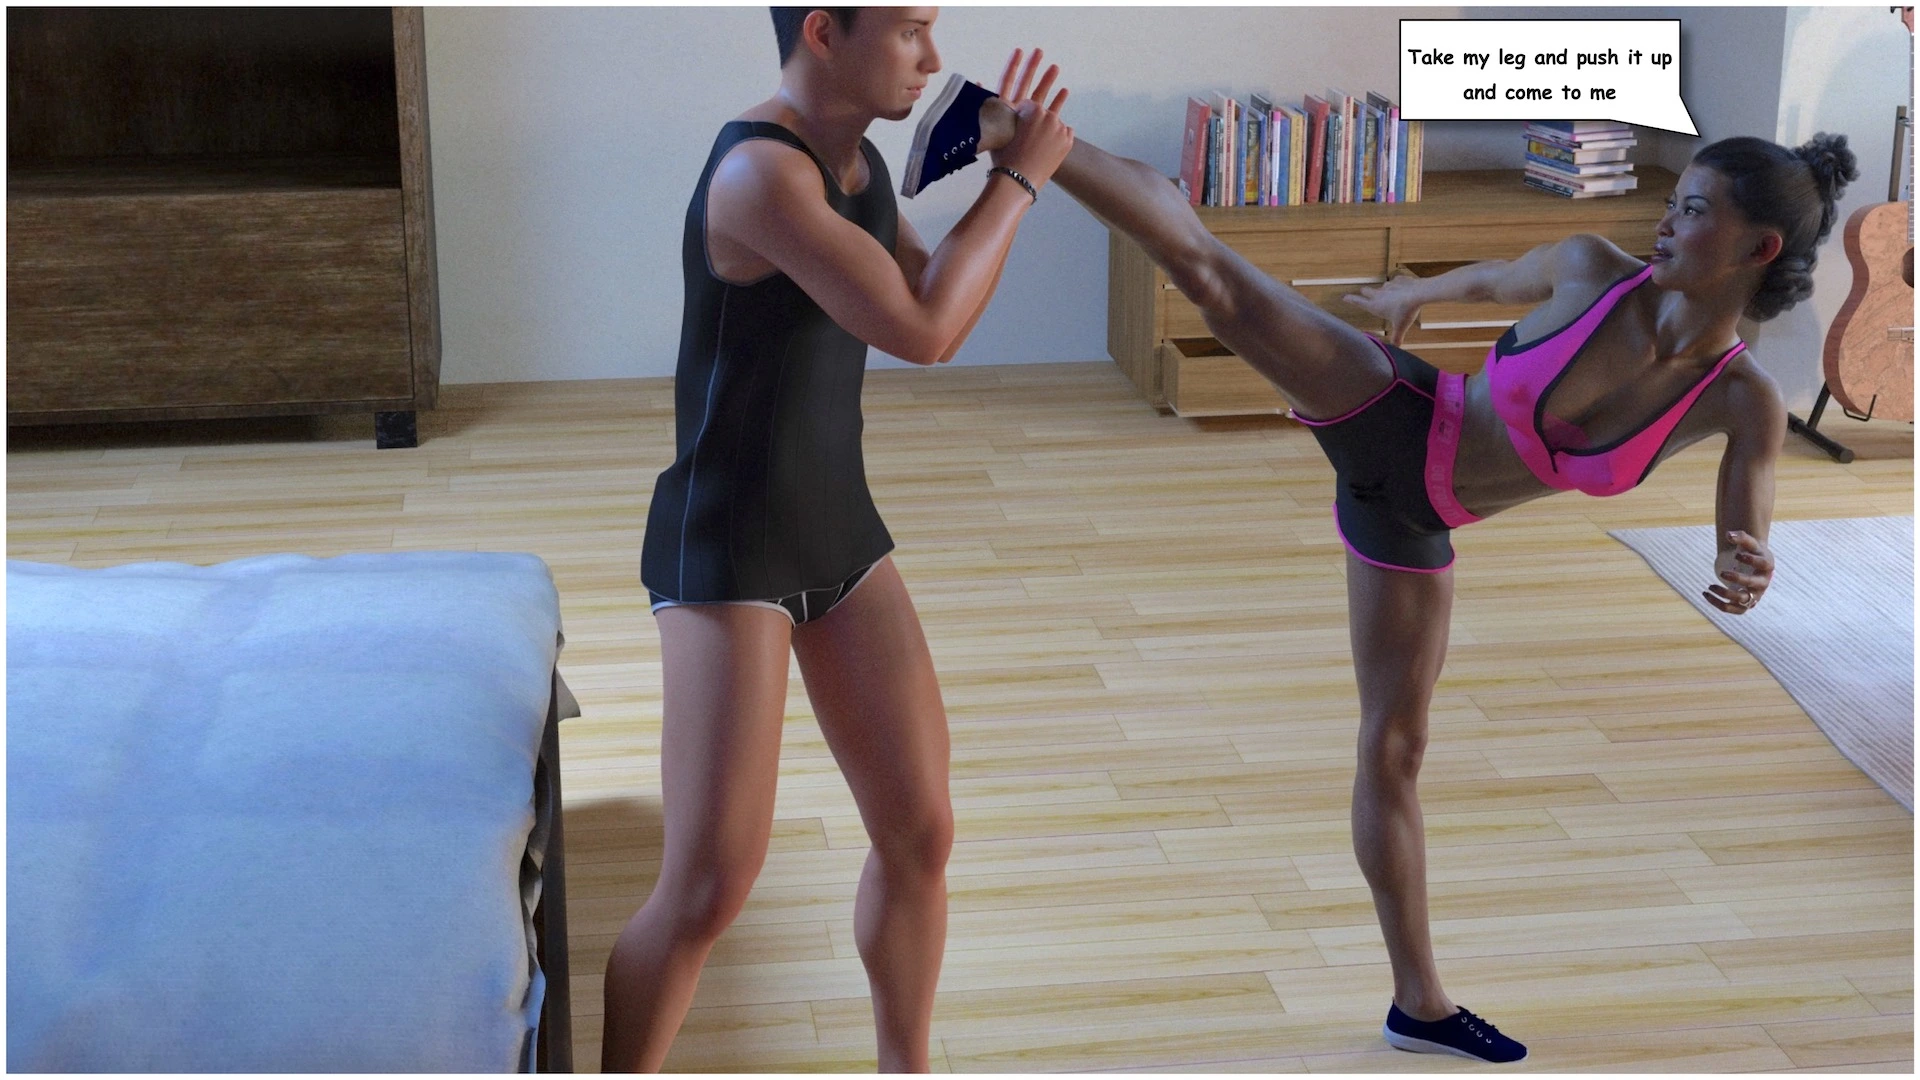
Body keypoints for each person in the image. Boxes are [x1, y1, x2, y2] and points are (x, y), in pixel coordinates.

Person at [1002, 110, 1856, 1062]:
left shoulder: (1741, 399)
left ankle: (1419, 1005)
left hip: (1412, 522)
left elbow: (1747, 524)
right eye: (1676, 200)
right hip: (1395, 413)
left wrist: (1748, 562)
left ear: (1757, 248)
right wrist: (1414, 292)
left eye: (1693, 209)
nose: (1666, 220)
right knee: (1213, 279)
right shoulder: (1589, 268)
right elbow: (1494, 278)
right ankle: (1011, 128)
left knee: (1395, 749)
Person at [608, 9, 1072, 1073]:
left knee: (922, 834)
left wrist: (995, 170)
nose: (933, 58)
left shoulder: (854, 164)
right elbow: (927, 331)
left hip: (836, 528)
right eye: (908, 31)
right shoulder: (760, 177)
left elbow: (930, 296)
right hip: (728, 549)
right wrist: (1017, 181)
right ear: (823, 32)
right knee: (707, 887)